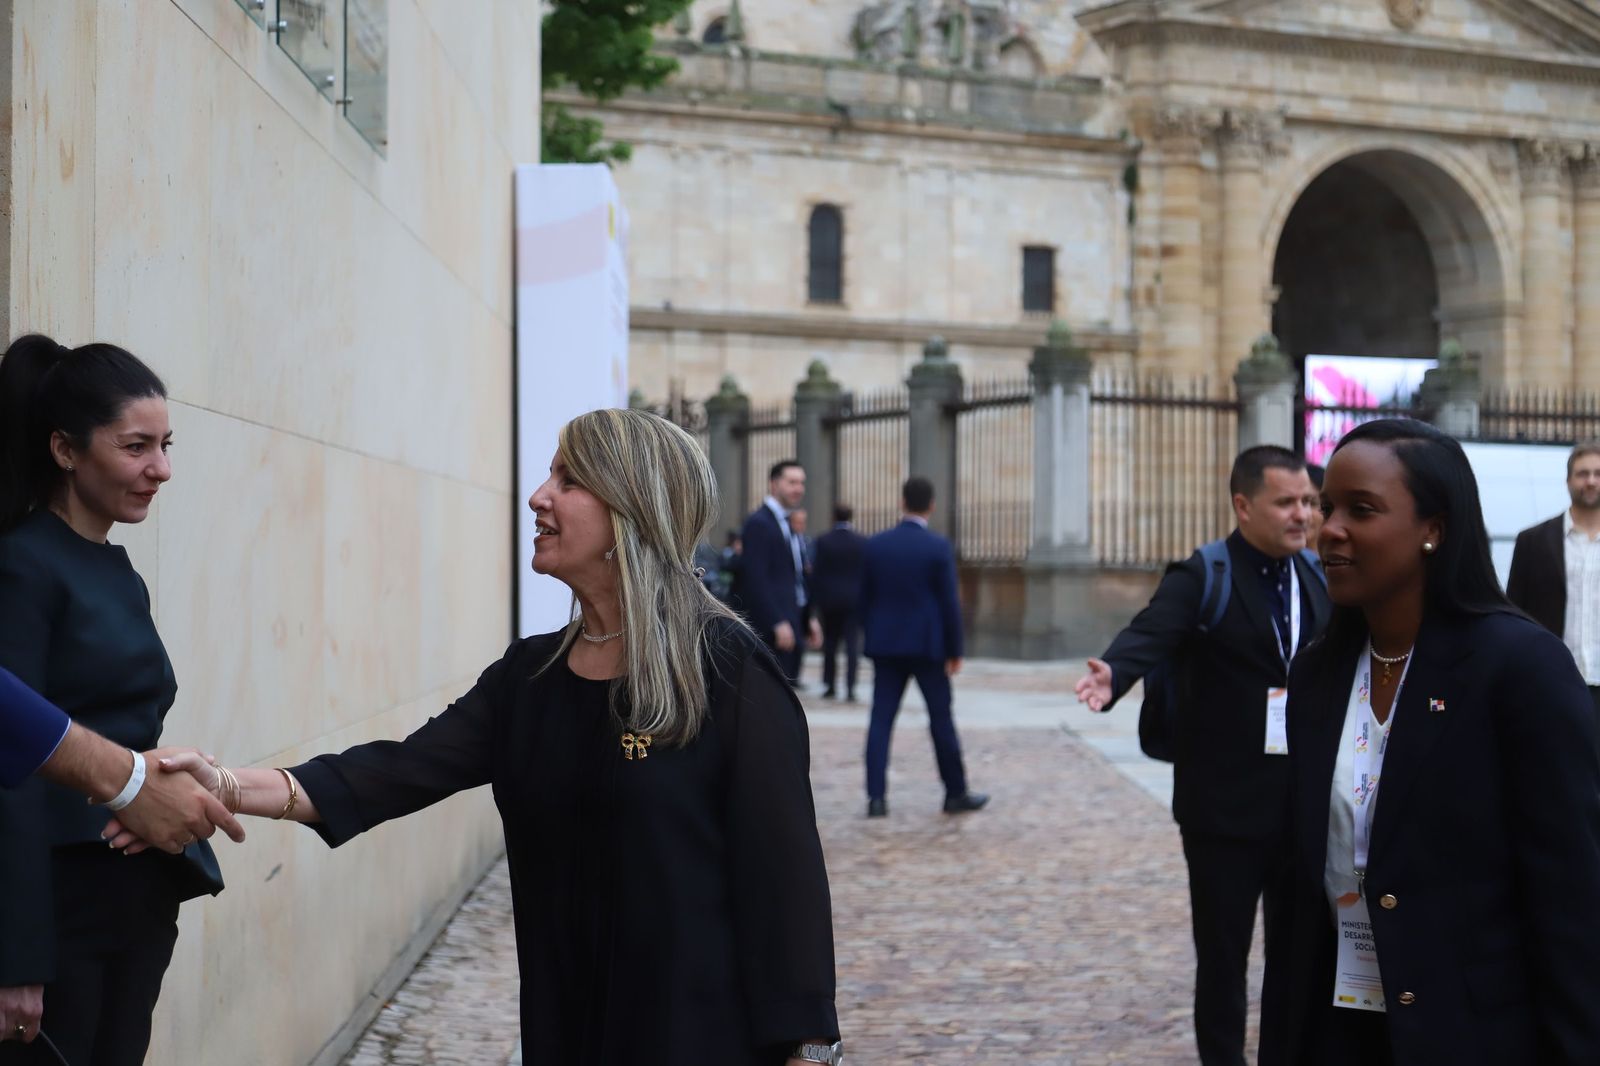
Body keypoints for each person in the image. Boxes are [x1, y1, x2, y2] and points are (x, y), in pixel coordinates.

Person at [128, 409, 843, 1066]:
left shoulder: (727, 671)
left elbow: (785, 885)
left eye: (569, 479)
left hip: (702, 1039)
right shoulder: (529, 678)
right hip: (567, 1033)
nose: (539, 496)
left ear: (633, 506)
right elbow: (392, 772)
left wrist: (808, 1051)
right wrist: (222, 785)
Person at [1260, 419, 1600, 1065]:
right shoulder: (1317, 673)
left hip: (1470, 1033)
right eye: (1328, 506)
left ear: (1434, 530)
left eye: (1361, 510)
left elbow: (1570, 906)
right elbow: (1297, 893)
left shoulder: (1520, 669)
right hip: (1338, 1027)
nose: (1328, 528)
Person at [0, 334, 229, 1065]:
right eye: (136, 447)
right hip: (63, 908)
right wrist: (17, 958)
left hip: (137, 896)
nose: (160, 469)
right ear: (66, 451)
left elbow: (122, 723)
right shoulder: (23, 567)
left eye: (166, 445)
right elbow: (11, 769)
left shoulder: (118, 568)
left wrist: (151, 781)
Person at [1073, 444, 1328, 1066]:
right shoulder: (1203, 575)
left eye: (1309, 503)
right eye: (1286, 503)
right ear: (1243, 506)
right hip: (1224, 812)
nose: (1303, 516)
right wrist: (1115, 673)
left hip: (1304, 807)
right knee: (1224, 958)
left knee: (1299, 958)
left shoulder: (1319, 575)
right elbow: (1153, 630)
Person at [860, 476, 986, 818]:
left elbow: (865, 598)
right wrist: (955, 649)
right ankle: (955, 791)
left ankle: (876, 797)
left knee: (881, 720)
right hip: (927, 646)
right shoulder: (937, 546)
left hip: (886, 646)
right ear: (931, 505)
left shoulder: (876, 545)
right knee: (940, 719)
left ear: (902, 502)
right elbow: (949, 603)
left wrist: (870, 637)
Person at [1505, 441, 1600, 753]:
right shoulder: (1532, 542)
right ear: (1568, 480)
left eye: (1598, 473)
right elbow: (1513, 617)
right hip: (1554, 686)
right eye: (1582, 473)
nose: (1591, 480)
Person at [740, 461, 821, 684]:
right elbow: (756, 578)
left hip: (792, 619)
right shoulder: (760, 523)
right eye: (792, 482)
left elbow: (795, 575)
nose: (799, 489)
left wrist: (807, 618)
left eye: (801, 483)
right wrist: (776, 620)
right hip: (774, 627)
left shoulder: (787, 523)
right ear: (774, 484)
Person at [812, 505, 867, 701]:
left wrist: (816, 601)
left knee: (830, 644)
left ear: (834, 516)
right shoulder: (861, 541)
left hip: (830, 600)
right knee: (852, 645)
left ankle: (830, 685)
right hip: (854, 600)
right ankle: (851, 686)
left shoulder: (823, 541)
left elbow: (817, 573)